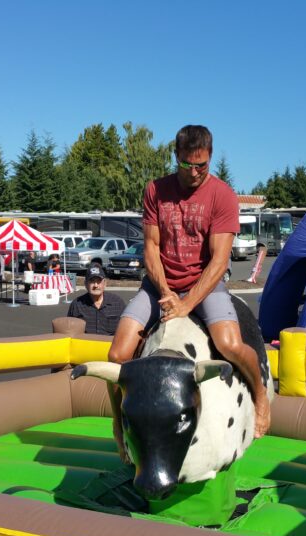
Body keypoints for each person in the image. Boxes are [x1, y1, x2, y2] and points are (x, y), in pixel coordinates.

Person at [109, 124, 270, 450]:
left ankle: (261, 395)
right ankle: (118, 422)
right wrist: (165, 292)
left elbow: (219, 261)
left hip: (206, 285)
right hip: (158, 286)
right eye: (187, 164)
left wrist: (186, 303)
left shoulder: (222, 195)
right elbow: (151, 247)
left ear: (209, 158)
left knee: (230, 344)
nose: (194, 172)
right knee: (117, 355)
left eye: (202, 165)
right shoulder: (156, 190)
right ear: (176, 156)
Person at [67, 265, 126, 336]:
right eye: (92, 281)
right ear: (85, 284)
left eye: (99, 281)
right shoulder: (77, 304)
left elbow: (126, 330)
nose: (95, 285)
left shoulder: (117, 303)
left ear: (105, 283)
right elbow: (69, 330)